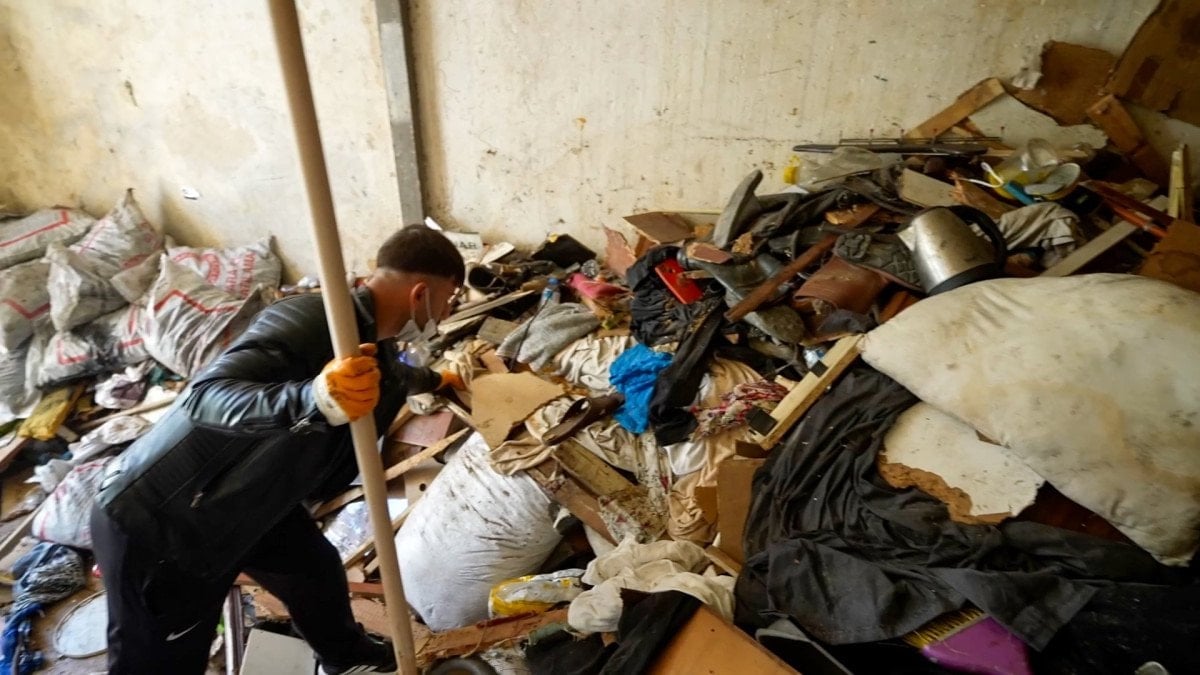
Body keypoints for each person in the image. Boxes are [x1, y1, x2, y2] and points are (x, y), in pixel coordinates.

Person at [90, 224, 467, 675]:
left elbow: (395, 376)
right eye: (449, 298)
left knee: (313, 572)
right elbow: (205, 397)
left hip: (246, 501)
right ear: (421, 293)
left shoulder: (372, 344)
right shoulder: (311, 319)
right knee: (165, 659)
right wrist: (314, 399)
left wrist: (440, 380)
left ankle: (347, 658)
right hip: (167, 521)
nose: (448, 311)